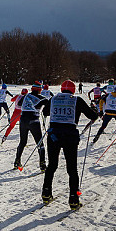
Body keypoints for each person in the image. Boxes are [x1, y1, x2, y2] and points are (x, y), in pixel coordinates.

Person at [39, 80, 98, 209]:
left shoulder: (54, 98)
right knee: (72, 168)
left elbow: (45, 113)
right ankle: (73, 199)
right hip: (70, 136)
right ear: (73, 89)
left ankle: (46, 192)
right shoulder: (77, 100)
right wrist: (94, 109)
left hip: (54, 135)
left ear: (61, 89)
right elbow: (92, 115)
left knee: (52, 165)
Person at [13, 82, 46, 170]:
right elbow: (48, 107)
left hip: (23, 120)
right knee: (40, 143)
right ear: (40, 90)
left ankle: (17, 161)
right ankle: (42, 164)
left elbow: (19, 104)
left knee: (23, 142)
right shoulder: (42, 98)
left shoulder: (26, 96)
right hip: (34, 120)